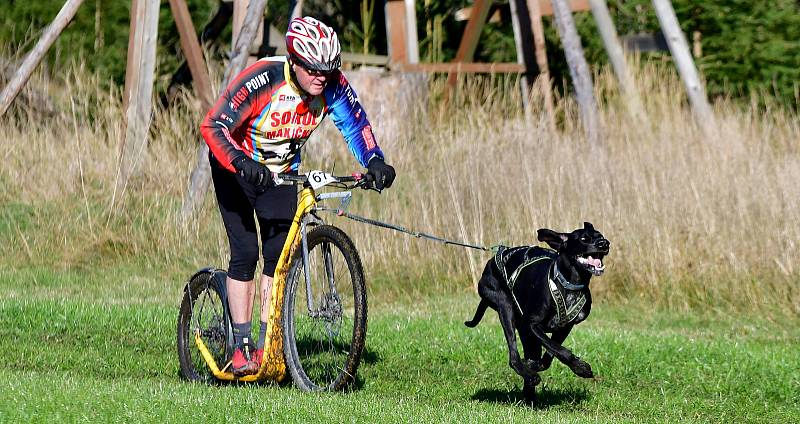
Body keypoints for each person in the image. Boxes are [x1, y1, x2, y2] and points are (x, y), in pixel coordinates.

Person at [200, 16, 396, 376]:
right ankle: (241, 347)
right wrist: (241, 161)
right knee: (245, 252)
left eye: (329, 69)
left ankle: (269, 344)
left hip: (282, 172)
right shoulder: (265, 78)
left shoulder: (331, 85)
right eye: (314, 69)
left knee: (278, 256)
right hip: (237, 169)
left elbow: (355, 123)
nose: (322, 76)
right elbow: (213, 126)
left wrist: (375, 160)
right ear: (294, 60)